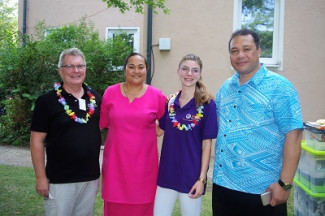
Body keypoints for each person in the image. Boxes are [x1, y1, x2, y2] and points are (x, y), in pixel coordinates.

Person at [212, 29, 303, 216]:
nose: (240, 55)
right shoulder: (226, 88)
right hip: (223, 187)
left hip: (262, 191)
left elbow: (294, 136)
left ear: (259, 50)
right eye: (234, 51)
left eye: (247, 49)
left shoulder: (280, 88)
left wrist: (284, 184)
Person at [30, 48, 102, 216]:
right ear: (60, 71)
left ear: (85, 69)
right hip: (60, 179)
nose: (76, 71)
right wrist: (41, 177)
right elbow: (36, 141)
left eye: (80, 66)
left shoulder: (94, 98)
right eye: (70, 66)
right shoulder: (47, 101)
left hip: (90, 178)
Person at [99, 52, 167, 216]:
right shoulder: (110, 93)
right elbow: (100, 124)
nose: (136, 71)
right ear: (125, 70)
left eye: (141, 67)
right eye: (131, 67)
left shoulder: (157, 96)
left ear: (146, 70)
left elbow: (170, 121)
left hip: (144, 170)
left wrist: (158, 127)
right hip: (115, 167)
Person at [154, 54, 218, 216]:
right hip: (167, 174)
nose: (189, 74)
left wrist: (202, 179)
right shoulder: (170, 103)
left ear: (199, 74)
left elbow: (207, 144)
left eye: (194, 70)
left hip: (191, 176)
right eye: (185, 69)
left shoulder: (208, 105)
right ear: (178, 71)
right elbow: (158, 131)